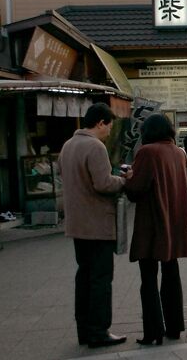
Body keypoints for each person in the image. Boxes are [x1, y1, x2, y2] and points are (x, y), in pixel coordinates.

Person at [58, 102, 130, 348]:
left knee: (84, 277)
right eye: (109, 126)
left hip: (77, 225)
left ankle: (84, 329)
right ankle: (99, 330)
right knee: (101, 279)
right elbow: (103, 184)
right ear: (100, 123)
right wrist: (122, 180)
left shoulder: (68, 145)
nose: (109, 132)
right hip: (97, 225)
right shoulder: (95, 146)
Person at [124, 113, 187, 346]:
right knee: (171, 274)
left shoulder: (148, 152)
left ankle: (153, 331)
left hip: (153, 224)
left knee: (149, 278)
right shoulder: (178, 152)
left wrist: (128, 177)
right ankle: (175, 326)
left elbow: (136, 189)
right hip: (174, 222)